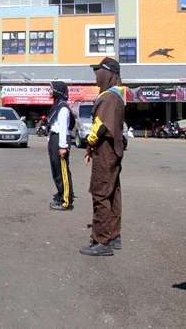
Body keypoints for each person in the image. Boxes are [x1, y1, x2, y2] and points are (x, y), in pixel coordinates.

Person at [81, 58, 127, 256]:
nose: (96, 75)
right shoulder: (118, 95)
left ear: (108, 73)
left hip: (105, 151)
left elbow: (100, 126)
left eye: (99, 71)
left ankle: (102, 241)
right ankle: (114, 235)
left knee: (100, 193)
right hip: (114, 150)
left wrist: (89, 143)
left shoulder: (108, 97)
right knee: (112, 193)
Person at [47, 81, 74, 211]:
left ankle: (65, 201)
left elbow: (63, 128)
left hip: (60, 140)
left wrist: (62, 146)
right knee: (56, 170)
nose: (49, 91)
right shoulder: (57, 105)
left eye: (51, 89)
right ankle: (60, 193)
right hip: (54, 139)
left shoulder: (63, 107)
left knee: (62, 171)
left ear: (57, 90)